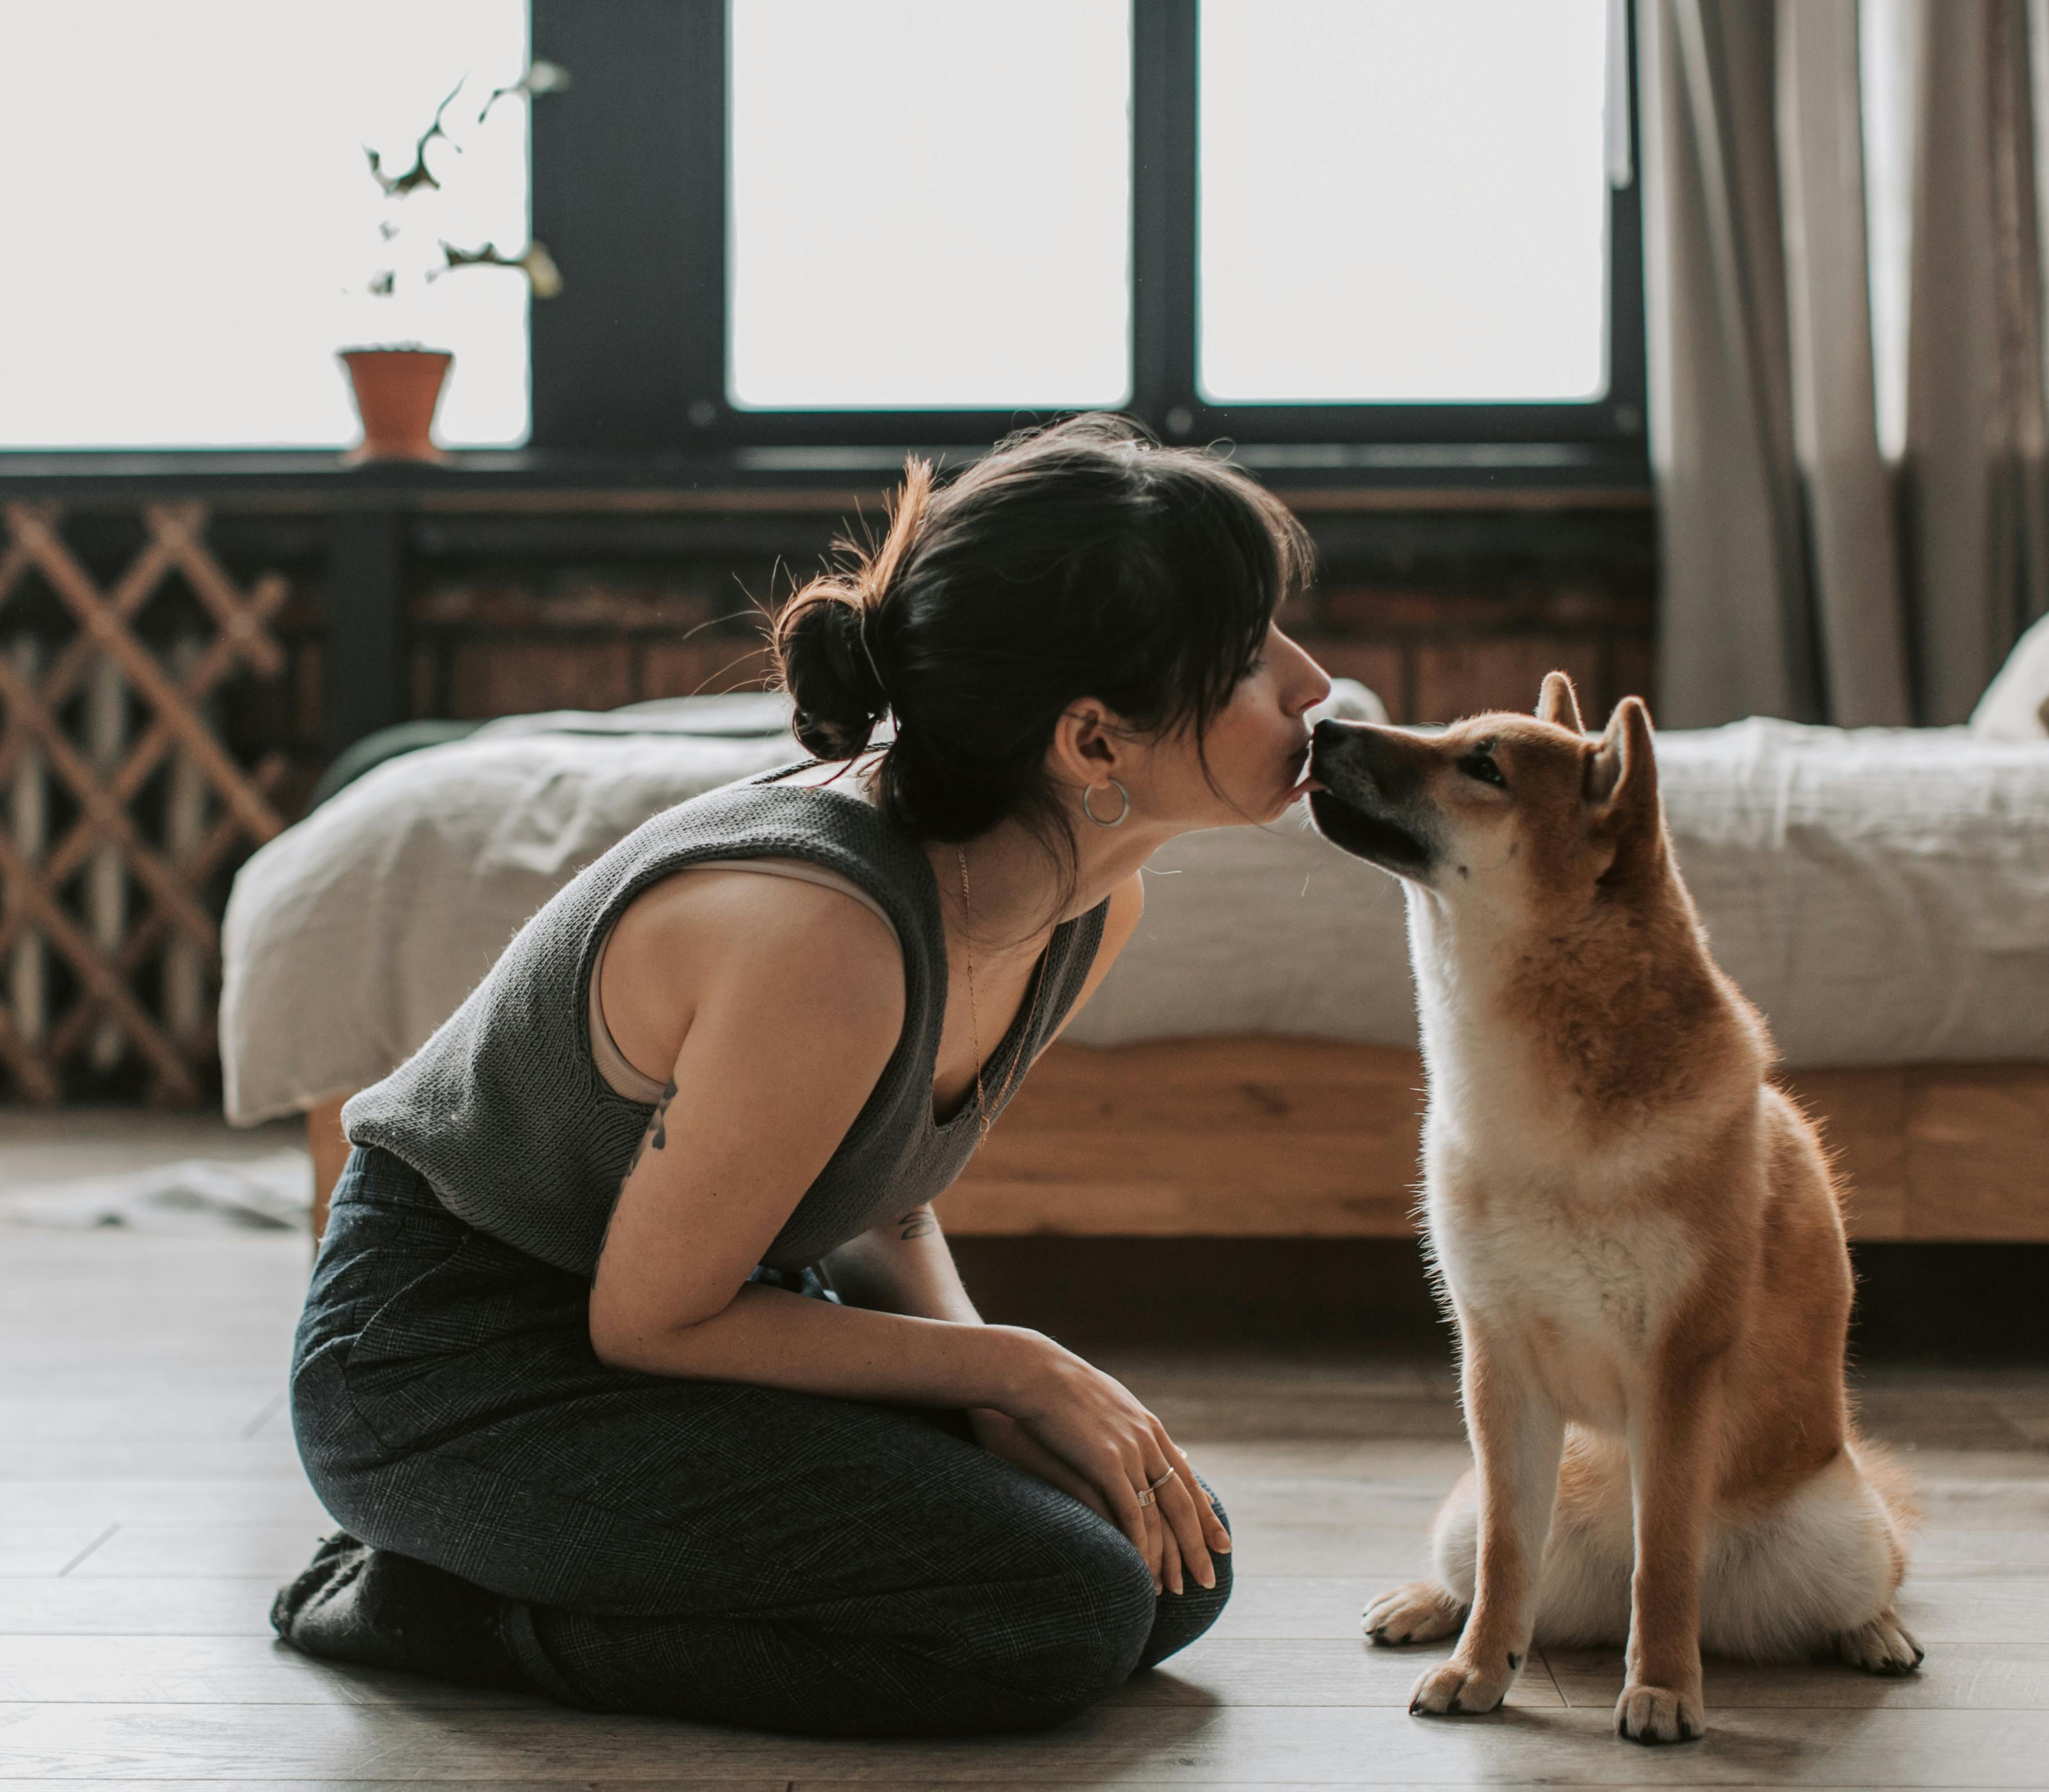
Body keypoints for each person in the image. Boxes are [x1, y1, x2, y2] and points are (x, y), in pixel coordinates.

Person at [270, 414, 1336, 1737]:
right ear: (1094, 743)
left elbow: (883, 1192)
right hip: (450, 1366)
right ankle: (436, 1603)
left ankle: (551, 1562)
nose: (1313, 684)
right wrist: (1015, 1371)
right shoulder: (818, 935)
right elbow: (649, 1323)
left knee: (1173, 1568)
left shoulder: (1084, 903)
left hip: (691, 1315)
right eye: (1247, 657)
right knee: (1059, 1611)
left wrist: (990, 1387)